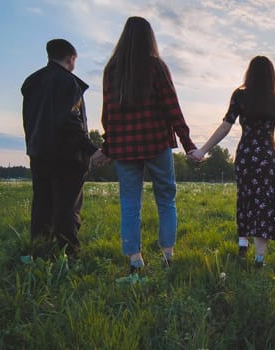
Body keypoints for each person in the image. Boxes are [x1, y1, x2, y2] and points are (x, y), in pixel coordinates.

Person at [101, 17, 198, 280]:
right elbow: (172, 108)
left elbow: (107, 115)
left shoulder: (111, 70)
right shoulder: (156, 67)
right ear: (149, 38)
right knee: (166, 200)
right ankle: (168, 255)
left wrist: (108, 147)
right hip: (155, 143)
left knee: (129, 203)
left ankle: (135, 260)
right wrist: (188, 145)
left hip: (123, 147)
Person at [190, 56, 275, 266]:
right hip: (266, 156)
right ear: (271, 77)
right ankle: (259, 259)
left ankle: (242, 242)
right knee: (264, 203)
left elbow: (225, 126)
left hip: (246, 154)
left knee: (246, 198)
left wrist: (203, 150)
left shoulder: (239, 96)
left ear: (249, 74)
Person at [21, 39, 106, 259]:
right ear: (71, 59)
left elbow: (28, 121)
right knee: (67, 207)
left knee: (42, 204)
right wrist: (91, 149)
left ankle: (40, 250)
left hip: (38, 152)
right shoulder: (69, 83)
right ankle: (69, 254)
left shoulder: (31, 82)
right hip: (68, 157)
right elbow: (70, 121)